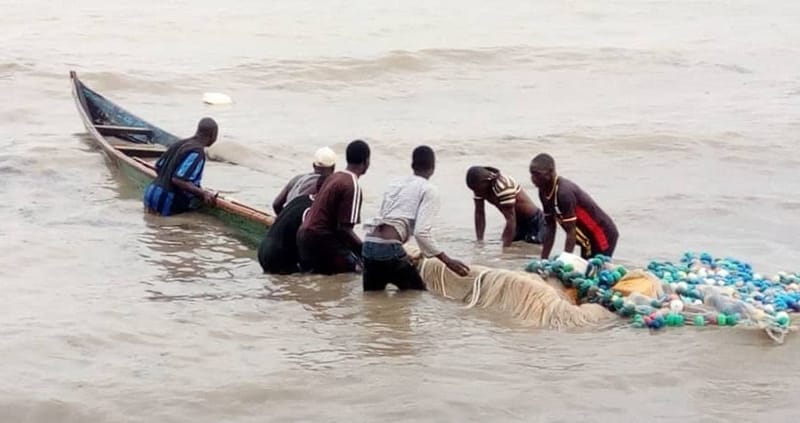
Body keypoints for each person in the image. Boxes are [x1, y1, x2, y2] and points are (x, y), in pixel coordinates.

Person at [362, 146, 470, 291]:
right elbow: (421, 233)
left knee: (373, 300)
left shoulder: (394, 183)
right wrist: (448, 261)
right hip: (389, 249)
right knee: (417, 295)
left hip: (368, 245)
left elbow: (386, 220)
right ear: (433, 167)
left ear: (412, 165)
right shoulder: (428, 189)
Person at [297, 140, 370, 275]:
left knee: (313, 279)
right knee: (357, 272)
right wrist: (365, 251)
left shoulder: (334, 177)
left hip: (304, 236)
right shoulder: (352, 185)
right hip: (321, 239)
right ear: (366, 162)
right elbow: (345, 229)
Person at [529, 153, 619, 260]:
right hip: (585, 240)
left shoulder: (564, 193)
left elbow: (570, 231)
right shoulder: (543, 192)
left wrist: (565, 260)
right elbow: (550, 227)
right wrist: (543, 259)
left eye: (537, 175)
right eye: (532, 174)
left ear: (551, 172)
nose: (533, 179)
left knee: (595, 268)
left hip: (601, 235)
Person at [144, 117, 218, 216]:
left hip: (152, 191)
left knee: (152, 222)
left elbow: (158, 166)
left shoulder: (179, 143)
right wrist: (203, 193)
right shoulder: (197, 151)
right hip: (166, 199)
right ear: (213, 134)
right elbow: (178, 180)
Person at [258, 175, 328, 275]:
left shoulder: (300, 199)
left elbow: (277, 206)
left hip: (263, 251)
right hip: (279, 257)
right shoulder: (312, 210)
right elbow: (305, 237)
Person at [465, 166, 545, 248]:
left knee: (533, 249)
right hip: (518, 223)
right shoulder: (479, 187)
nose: (476, 192)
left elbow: (511, 219)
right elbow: (479, 213)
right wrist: (480, 241)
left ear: (486, 181)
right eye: (473, 189)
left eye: (477, 189)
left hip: (535, 222)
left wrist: (504, 250)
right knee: (514, 248)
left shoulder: (503, 186)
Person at [272, 147, 337, 214]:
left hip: (287, 216)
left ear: (313, 165)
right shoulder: (328, 185)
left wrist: (284, 218)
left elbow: (276, 204)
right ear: (333, 167)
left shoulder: (298, 178)